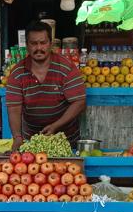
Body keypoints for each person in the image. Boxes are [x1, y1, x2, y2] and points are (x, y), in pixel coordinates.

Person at [6, 21, 86, 150]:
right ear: (26, 45)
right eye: (33, 43)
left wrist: (56, 126)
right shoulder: (17, 73)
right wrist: (17, 138)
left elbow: (79, 102)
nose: (39, 48)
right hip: (31, 142)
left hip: (65, 140)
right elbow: (14, 108)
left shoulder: (66, 67)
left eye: (43, 43)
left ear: (50, 44)